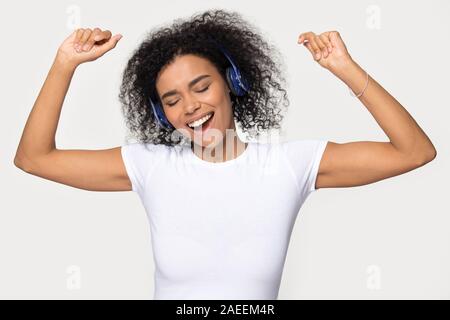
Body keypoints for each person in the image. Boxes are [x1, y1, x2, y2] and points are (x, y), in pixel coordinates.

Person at [14, 9, 436, 300]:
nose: (191, 107)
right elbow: (34, 158)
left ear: (232, 82)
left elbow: (414, 151)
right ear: (162, 112)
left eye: (202, 87)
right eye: (173, 99)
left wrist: (345, 68)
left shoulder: (289, 165)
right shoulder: (149, 166)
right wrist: (64, 64)